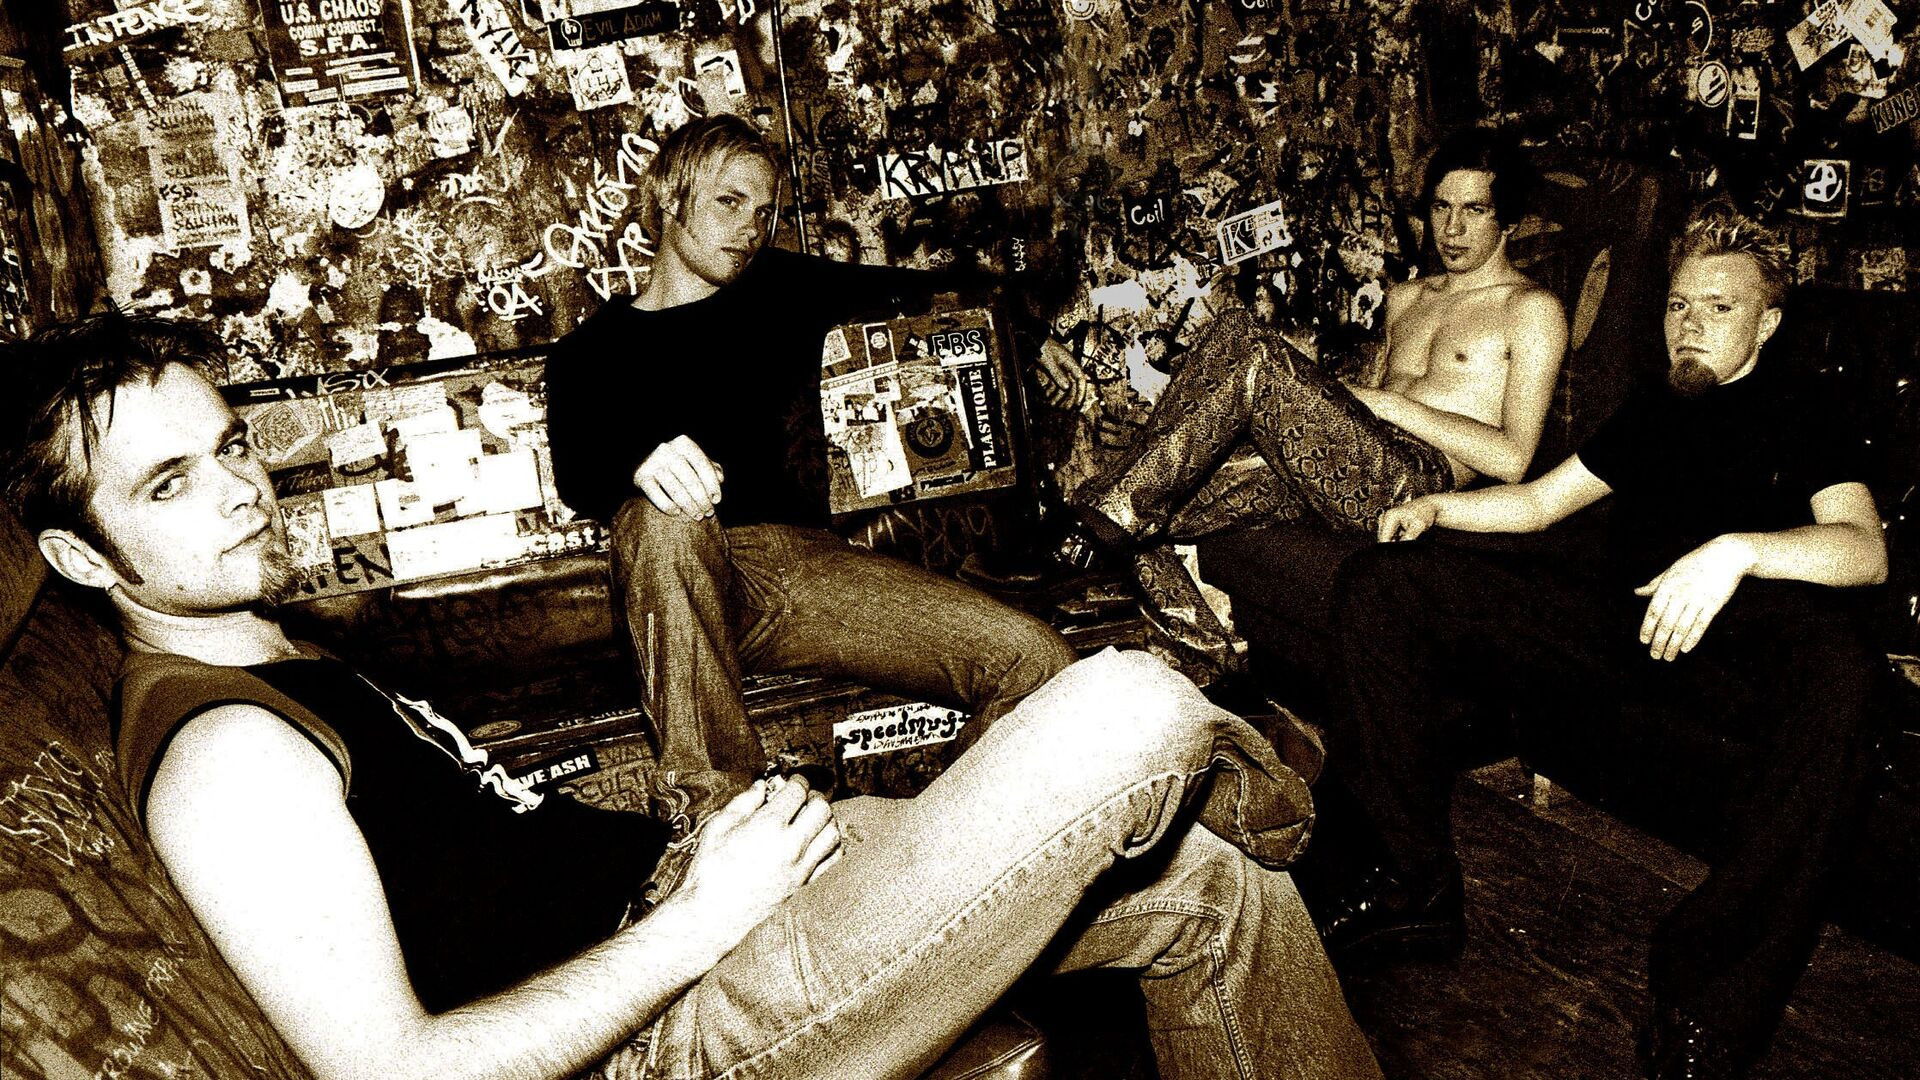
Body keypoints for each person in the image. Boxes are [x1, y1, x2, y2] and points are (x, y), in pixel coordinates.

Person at [0, 313, 1383, 1080]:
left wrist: (713, 850)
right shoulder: (222, 758)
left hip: (696, 906)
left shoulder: (268, 647)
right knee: (1130, 704)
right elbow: (394, 1074)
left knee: (1215, 888)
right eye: (170, 484)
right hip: (675, 1028)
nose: (240, 490)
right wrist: (702, 919)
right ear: (78, 556)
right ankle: (1284, 788)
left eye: (231, 446)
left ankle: (1248, 816)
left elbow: (481, 840)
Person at [1320, 205, 1886, 1080]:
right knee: (1383, 584)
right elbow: (1541, 503)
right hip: (1619, 627)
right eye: (1678, 305)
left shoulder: (1804, 407)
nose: (1690, 324)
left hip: (1740, 651)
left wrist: (1737, 553)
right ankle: (1410, 882)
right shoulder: (1658, 406)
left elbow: (1864, 549)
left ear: (1768, 323)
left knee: (1845, 676)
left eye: (1720, 308)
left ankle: (1706, 1001)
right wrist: (1436, 508)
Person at [544, 116, 1077, 777]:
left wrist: (1025, 331)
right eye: (729, 202)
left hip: (804, 571)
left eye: (763, 212)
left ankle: (939, 823)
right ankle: (717, 816)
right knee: (663, 520)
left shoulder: (775, 287)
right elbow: (577, 469)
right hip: (678, 584)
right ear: (669, 198)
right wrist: (636, 460)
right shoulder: (588, 354)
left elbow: (917, 288)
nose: (750, 229)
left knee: (1039, 663)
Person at [1038, 128, 1567, 673]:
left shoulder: (1531, 309)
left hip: (1414, 483)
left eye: (1475, 210)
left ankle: (1099, 524)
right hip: (1345, 463)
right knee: (1138, 498)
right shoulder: (1407, 297)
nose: (1452, 229)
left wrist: (1388, 406)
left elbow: (1513, 458)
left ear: (1508, 219)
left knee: (1252, 351)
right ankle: (1212, 659)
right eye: (1441, 207)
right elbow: (1356, 407)